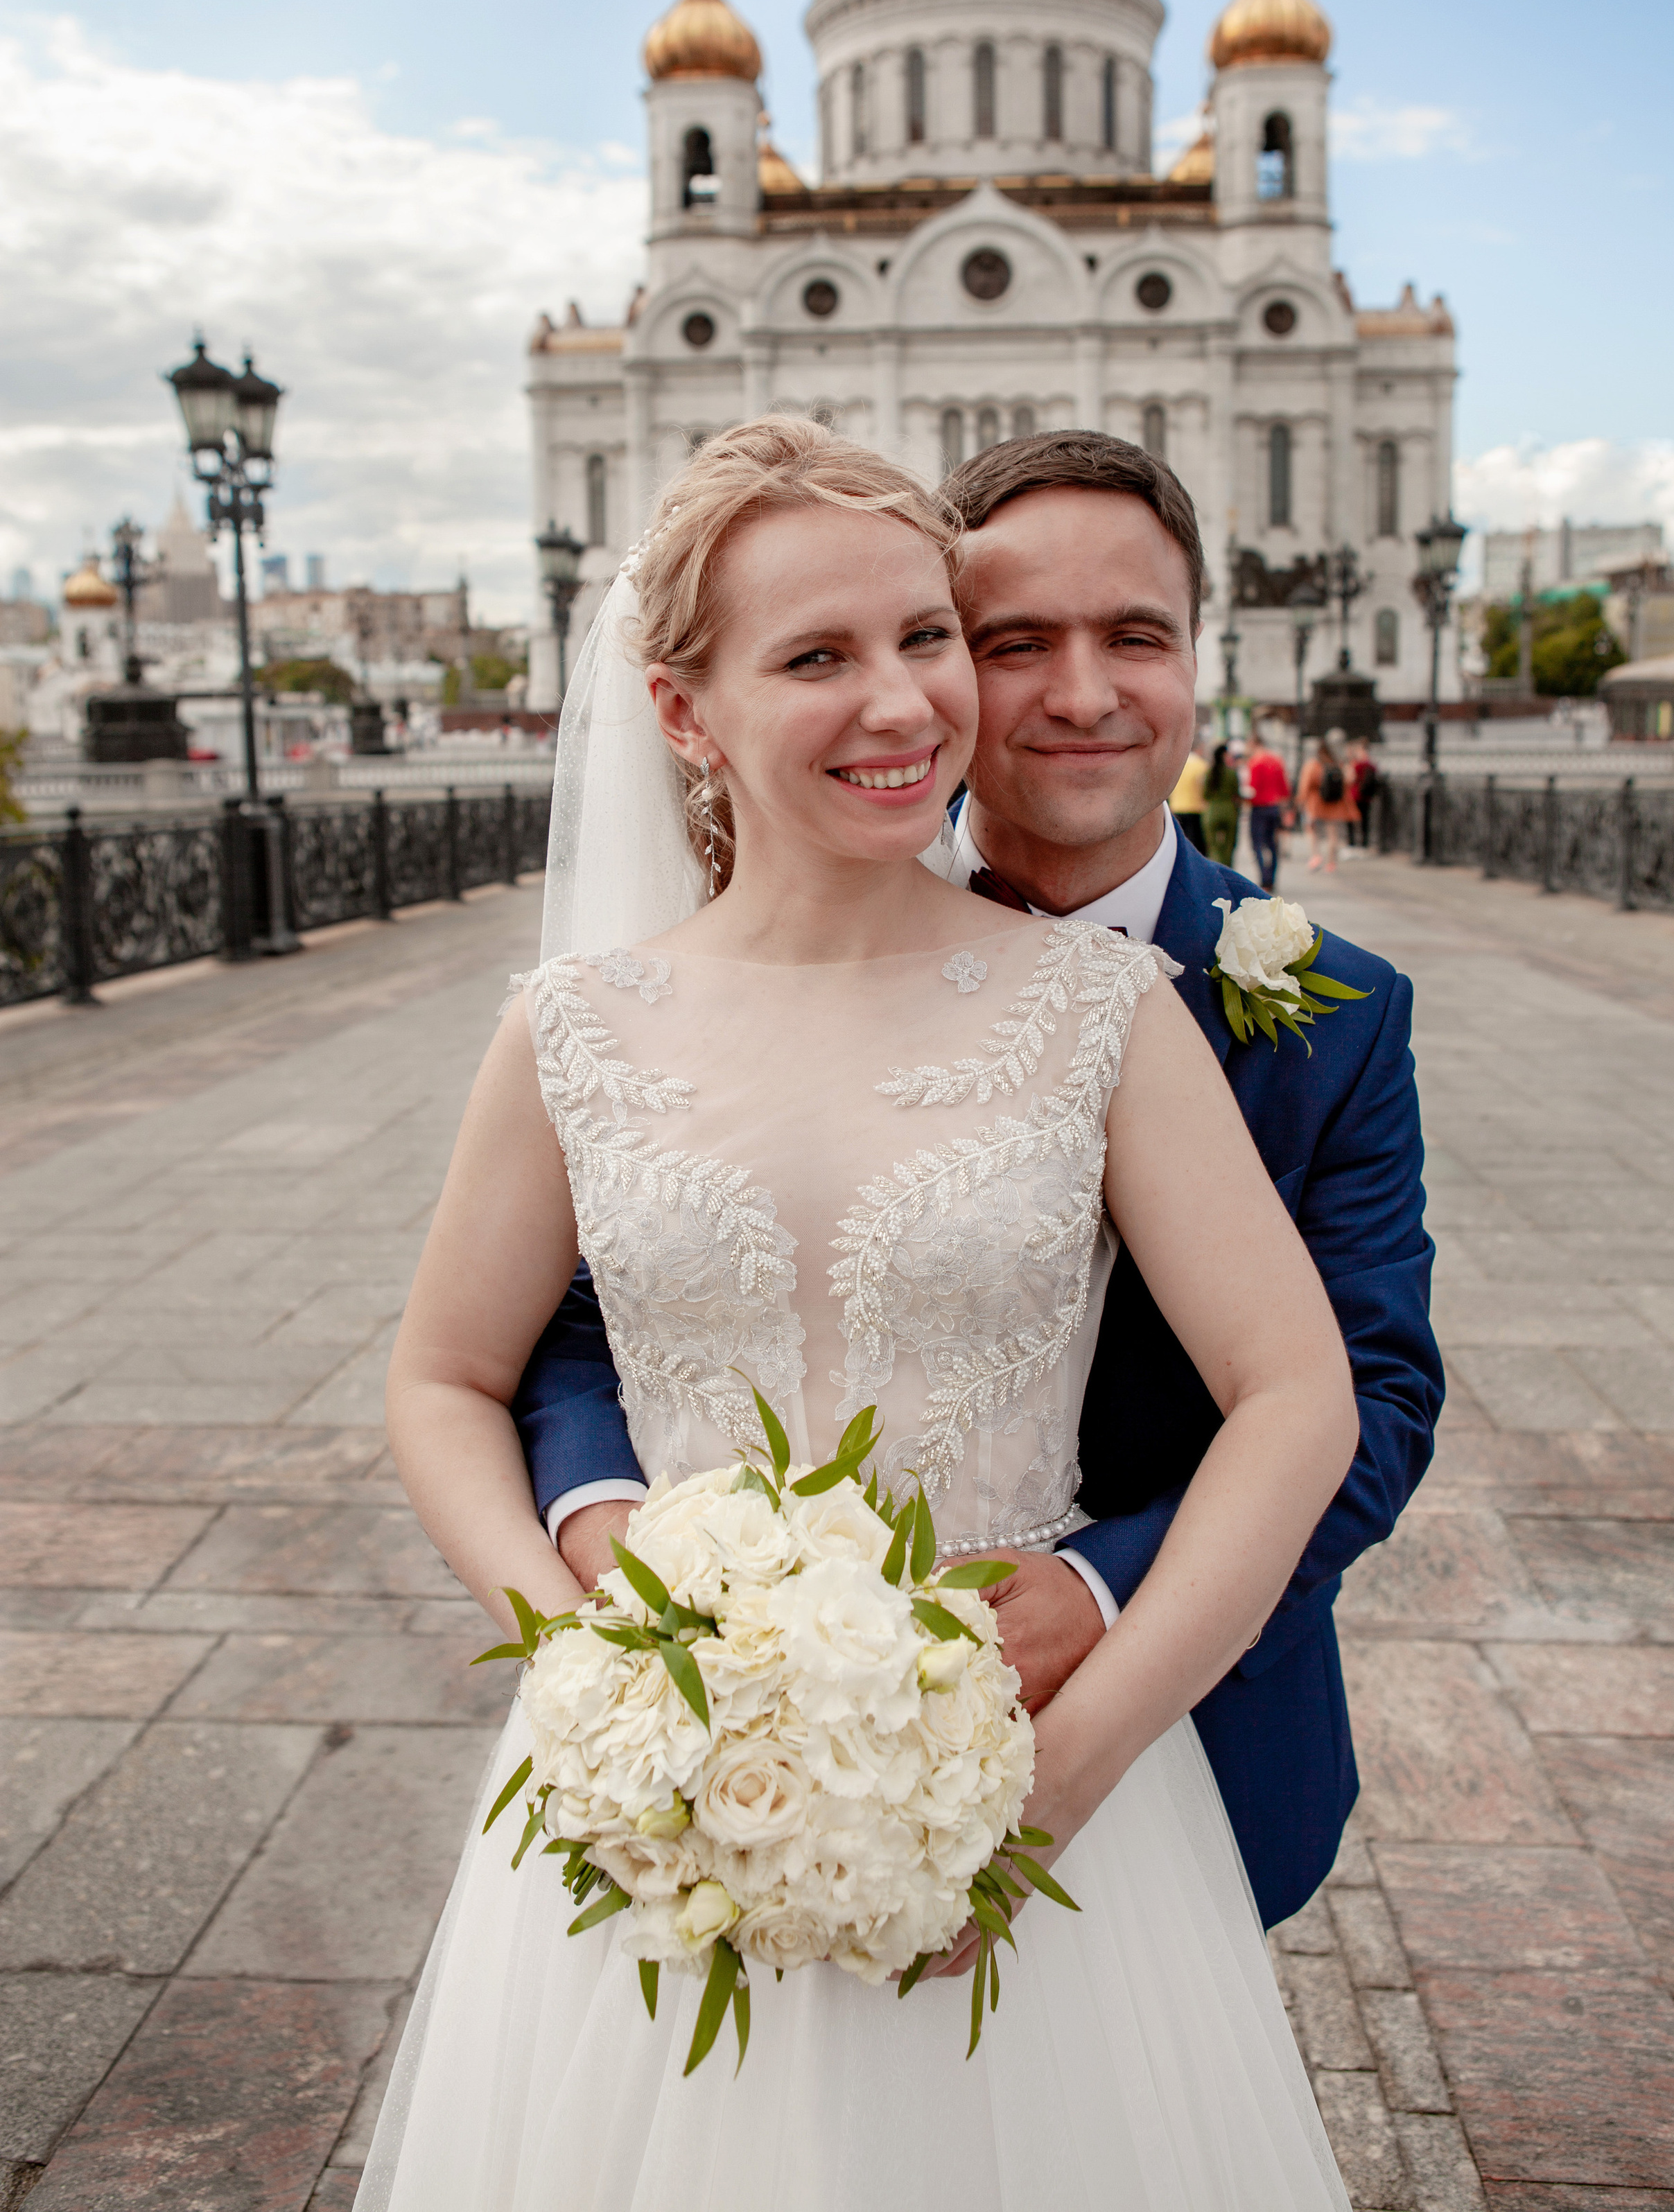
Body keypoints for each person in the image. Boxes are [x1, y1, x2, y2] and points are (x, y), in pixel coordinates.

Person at [367, 419, 1359, 2209]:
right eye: (817, 657)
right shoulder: (574, 1026)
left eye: (922, 636)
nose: (903, 704)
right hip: (664, 1788)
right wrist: (598, 1668)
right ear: (684, 711)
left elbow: (1300, 1391)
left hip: (1033, 1782)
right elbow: (446, 1374)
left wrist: (1075, 1759)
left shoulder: (1099, 1009)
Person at [517, 430, 1440, 1938]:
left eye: (1134, 636)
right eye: (1015, 643)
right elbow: (590, 1308)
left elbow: (1369, 1396)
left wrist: (1097, 1596)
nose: (1082, 694)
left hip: (1179, 1719)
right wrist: (618, 1543)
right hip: (739, 1711)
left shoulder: (1332, 1008)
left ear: (1196, 655)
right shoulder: (753, 956)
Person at [1298, 732, 1359, 875]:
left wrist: (1301, 801)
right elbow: (1349, 781)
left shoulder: (1313, 764)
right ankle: (1331, 862)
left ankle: (1316, 856)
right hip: (1333, 805)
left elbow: (1305, 785)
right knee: (1333, 834)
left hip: (1315, 804)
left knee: (1312, 831)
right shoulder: (1337, 764)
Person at [1244, 724, 1291, 890]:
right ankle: (1272, 878)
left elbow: (1252, 789)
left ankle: (1264, 878)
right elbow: (1285, 789)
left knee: (1257, 844)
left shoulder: (1255, 763)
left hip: (1259, 808)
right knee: (1273, 844)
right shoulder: (1277, 760)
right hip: (1275, 807)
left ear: (1253, 743)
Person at [1201, 739, 1241, 869]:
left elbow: (1205, 794)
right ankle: (1227, 869)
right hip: (1229, 811)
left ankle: (1216, 868)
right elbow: (1237, 793)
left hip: (1212, 811)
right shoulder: (1232, 773)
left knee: (1213, 846)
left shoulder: (1209, 773)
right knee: (1229, 846)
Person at [1168, 732, 1208, 851]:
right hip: (1196, 808)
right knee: (1196, 842)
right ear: (1199, 749)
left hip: (1177, 807)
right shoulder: (1202, 766)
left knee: (1181, 841)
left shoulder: (1177, 765)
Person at [1348, 737, 1381, 850]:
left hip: (1355, 795)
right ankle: (1364, 844)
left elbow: (1351, 778)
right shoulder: (1371, 764)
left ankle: (1352, 843)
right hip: (1366, 796)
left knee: (1351, 820)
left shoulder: (1357, 765)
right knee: (1365, 820)